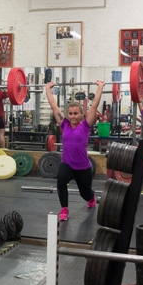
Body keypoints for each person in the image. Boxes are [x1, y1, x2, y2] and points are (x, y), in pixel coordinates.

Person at [45, 80, 104, 220]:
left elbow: (94, 105)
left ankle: (91, 197)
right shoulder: (64, 124)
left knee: (85, 194)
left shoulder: (85, 126)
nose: (73, 116)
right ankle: (64, 209)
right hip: (67, 164)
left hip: (83, 166)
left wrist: (100, 87)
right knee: (60, 182)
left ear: (81, 114)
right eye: (70, 113)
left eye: (76, 113)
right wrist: (48, 89)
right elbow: (54, 106)